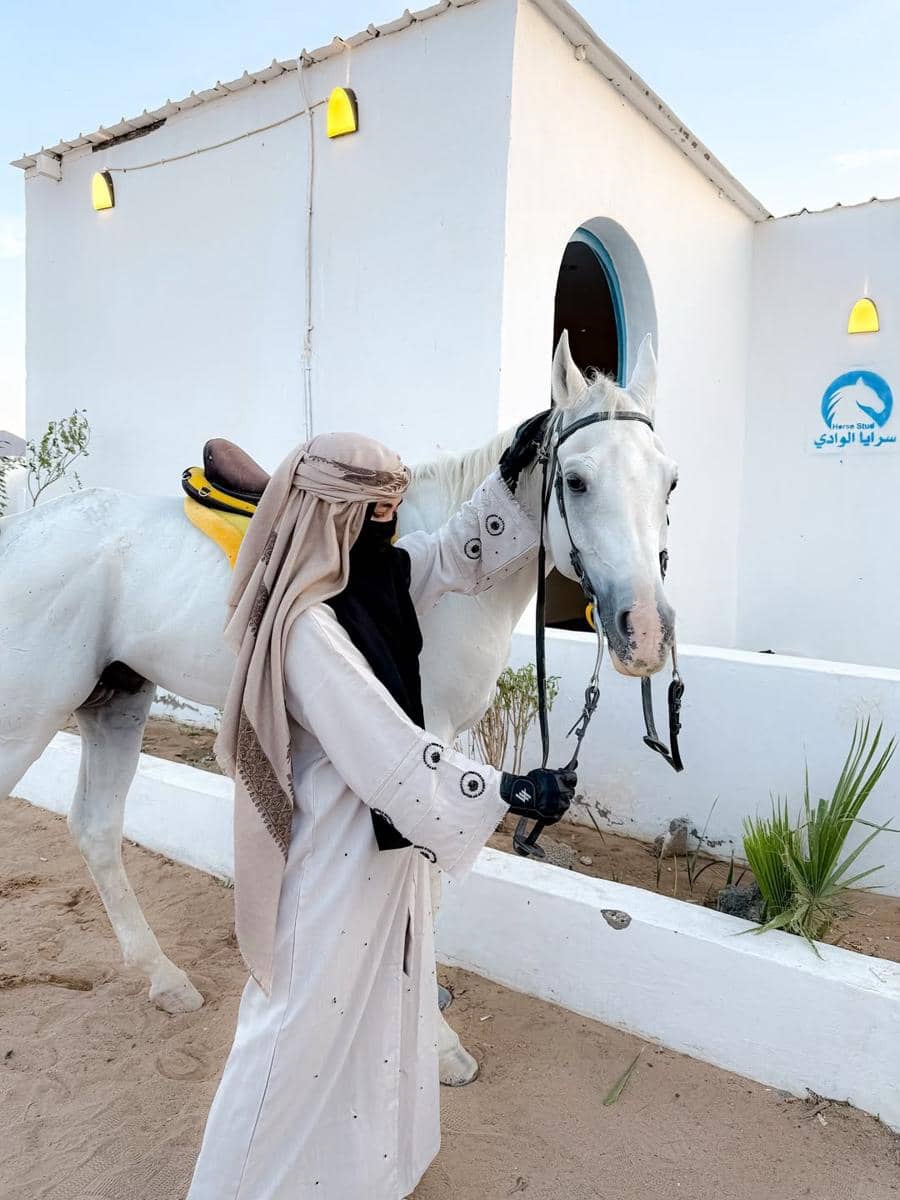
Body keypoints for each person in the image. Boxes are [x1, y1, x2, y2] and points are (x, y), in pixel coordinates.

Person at [186, 430, 576, 1200]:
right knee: (292, 1033)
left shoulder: (371, 581)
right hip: (328, 859)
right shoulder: (305, 626)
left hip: (382, 855)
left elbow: (455, 552)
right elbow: (385, 749)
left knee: (369, 1022)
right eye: (377, 508)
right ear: (336, 514)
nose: (391, 522)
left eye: (397, 505)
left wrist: (512, 473)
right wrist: (506, 791)